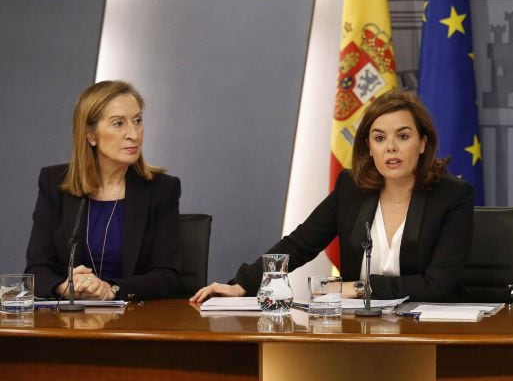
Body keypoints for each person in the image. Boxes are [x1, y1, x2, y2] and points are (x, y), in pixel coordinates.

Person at [191, 90, 475, 303]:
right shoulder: (352, 188)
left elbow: (436, 285)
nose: (391, 148)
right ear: (368, 146)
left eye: (403, 136)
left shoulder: (453, 197)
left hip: (433, 331)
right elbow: (300, 244)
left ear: (423, 142)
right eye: (379, 138)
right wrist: (243, 283)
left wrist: (357, 287)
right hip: (361, 330)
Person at [25, 81, 182, 301]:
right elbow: (36, 270)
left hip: (133, 323)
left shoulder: (162, 189)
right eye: (118, 124)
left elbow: (167, 275)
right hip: (69, 320)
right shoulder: (55, 184)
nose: (134, 134)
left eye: (137, 121)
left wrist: (111, 289)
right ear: (90, 135)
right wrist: (65, 286)